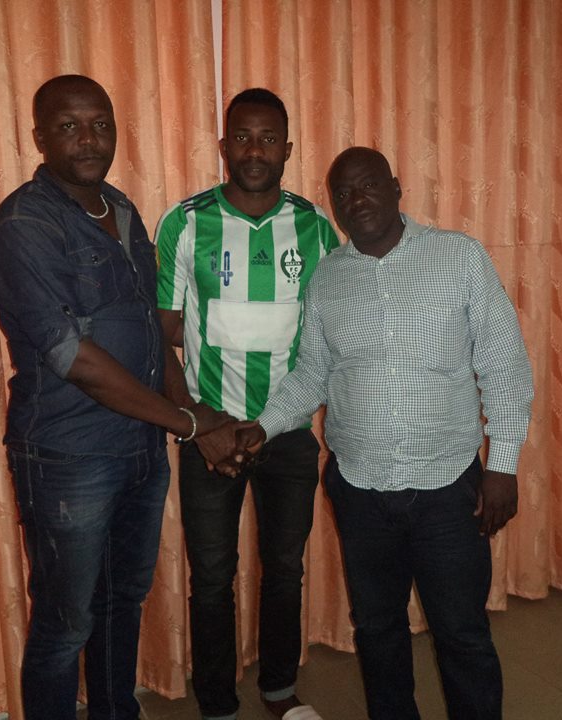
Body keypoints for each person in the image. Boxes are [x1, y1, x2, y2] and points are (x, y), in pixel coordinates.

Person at [235, 147, 534, 720]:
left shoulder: (459, 257)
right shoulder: (328, 278)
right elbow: (312, 374)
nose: (357, 200)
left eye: (369, 185)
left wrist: (503, 464)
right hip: (360, 489)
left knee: (462, 633)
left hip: (448, 488)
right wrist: (262, 427)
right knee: (377, 630)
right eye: (343, 193)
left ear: (396, 188)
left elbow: (504, 364)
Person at [0, 74, 226, 720]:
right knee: (65, 622)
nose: (89, 140)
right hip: (70, 458)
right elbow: (75, 359)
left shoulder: (121, 209)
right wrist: (187, 425)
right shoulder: (23, 226)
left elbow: (148, 325)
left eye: (101, 125)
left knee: (123, 601)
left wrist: (188, 411)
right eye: (69, 126)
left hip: (140, 449)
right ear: (40, 137)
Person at [155, 88, 338, 720]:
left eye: (268, 139)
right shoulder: (185, 223)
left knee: (285, 568)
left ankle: (280, 692)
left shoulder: (316, 228)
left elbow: (327, 337)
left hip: (287, 432)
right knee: (211, 577)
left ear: (288, 149)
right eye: (242, 137)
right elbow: (161, 332)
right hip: (210, 431)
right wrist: (196, 421)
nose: (254, 150)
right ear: (223, 145)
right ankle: (217, 705)